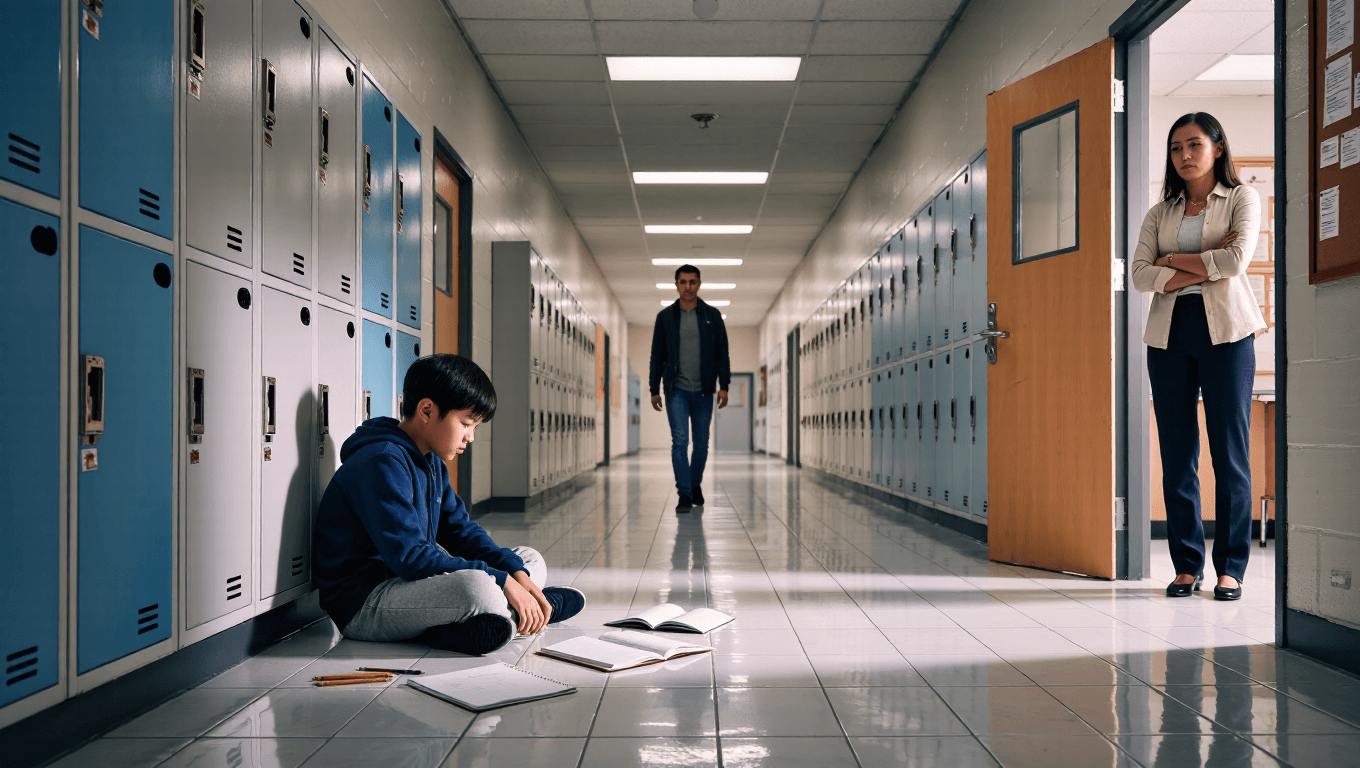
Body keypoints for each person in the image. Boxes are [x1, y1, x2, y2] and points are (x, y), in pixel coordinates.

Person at [313, 354, 585, 655]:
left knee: (528, 559)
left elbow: (461, 533)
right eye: (466, 423)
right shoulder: (381, 462)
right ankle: (528, 611)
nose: (470, 437)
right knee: (479, 589)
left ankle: (514, 613)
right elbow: (411, 558)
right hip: (366, 603)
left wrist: (512, 573)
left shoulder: (431, 463)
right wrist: (501, 580)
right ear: (427, 410)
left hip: (408, 586)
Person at [1131, 112, 1267, 602]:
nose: (1184, 155)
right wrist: (1202, 266)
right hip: (1169, 335)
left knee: (1229, 453)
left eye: (1193, 144)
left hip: (1228, 333)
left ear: (1216, 148)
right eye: (1175, 148)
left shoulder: (1241, 199)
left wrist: (1171, 263)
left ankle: (1231, 567)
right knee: (1177, 453)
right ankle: (1187, 565)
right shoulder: (1160, 212)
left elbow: (1237, 261)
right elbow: (1139, 276)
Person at [649, 264, 731, 513]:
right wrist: (654, 388)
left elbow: (722, 354)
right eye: (683, 282)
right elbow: (657, 356)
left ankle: (695, 484)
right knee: (680, 441)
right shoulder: (665, 318)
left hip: (705, 390)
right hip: (677, 390)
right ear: (676, 285)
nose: (688, 287)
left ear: (699, 284)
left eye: (693, 282)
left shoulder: (712, 316)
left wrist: (724, 385)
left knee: (702, 443)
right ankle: (684, 493)